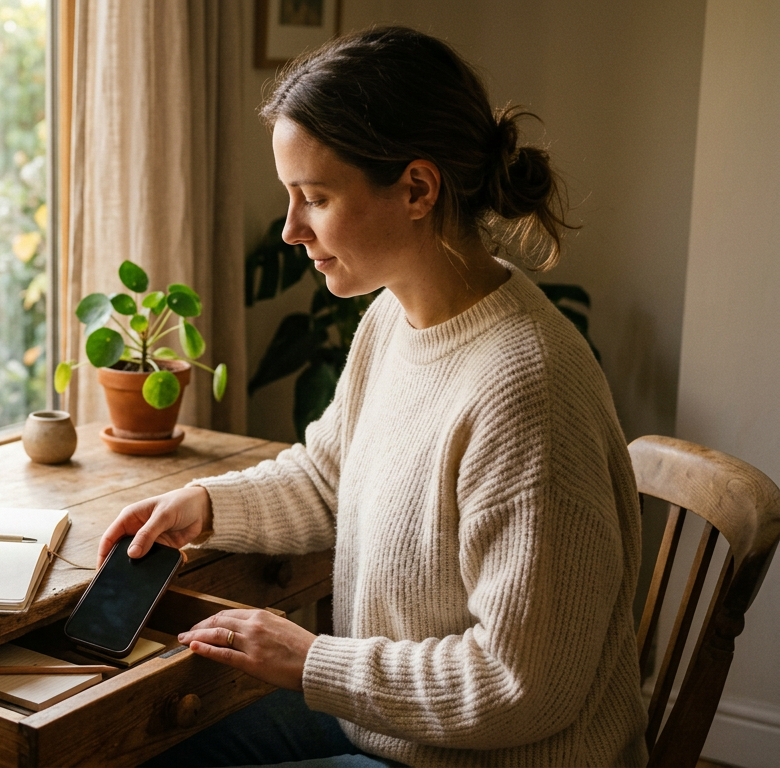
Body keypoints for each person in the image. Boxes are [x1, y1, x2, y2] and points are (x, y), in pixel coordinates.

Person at [101, 26, 648, 768]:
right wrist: (208, 506)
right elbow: (331, 474)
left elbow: (521, 685)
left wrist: (310, 661)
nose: (292, 229)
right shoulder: (395, 315)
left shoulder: (526, 392)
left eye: (315, 198)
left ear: (417, 189)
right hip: (399, 733)